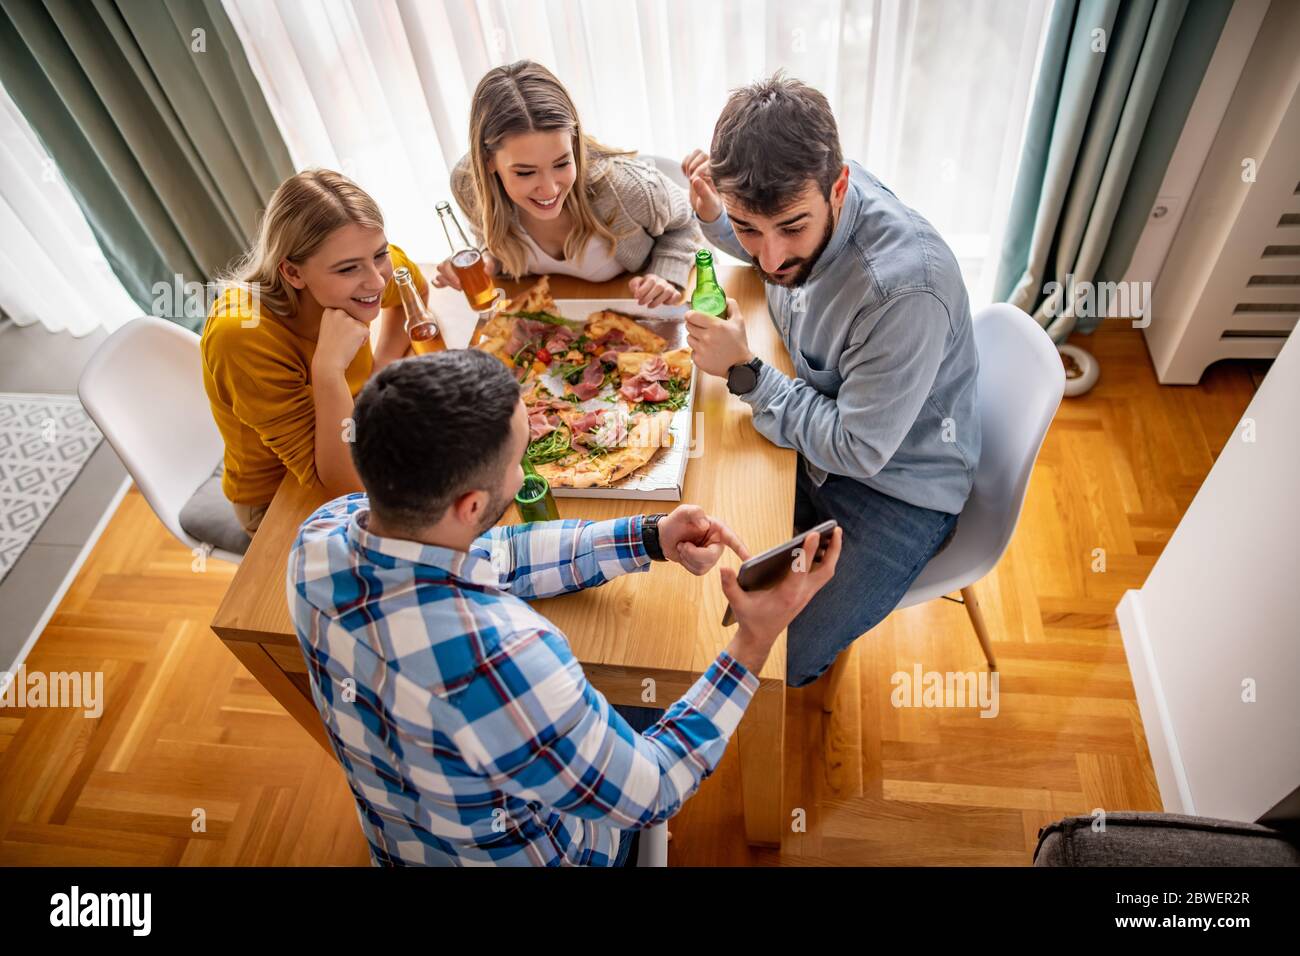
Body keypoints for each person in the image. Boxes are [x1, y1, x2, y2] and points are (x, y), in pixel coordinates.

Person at [287, 349, 840, 866]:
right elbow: (655, 790)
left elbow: (490, 552)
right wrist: (753, 640)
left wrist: (648, 536)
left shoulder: (321, 535)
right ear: (473, 503)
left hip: (403, 843)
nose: (526, 469)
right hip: (560, 854)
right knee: (657, 674)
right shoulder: (511, 658)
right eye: (520, 458)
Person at [680, 73, 981, 688]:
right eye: (747, 228)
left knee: (773, 660)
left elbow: (858, 449)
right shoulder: (794, 206)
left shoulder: (905, 290)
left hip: (894, 492)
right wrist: (717, 222)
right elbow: (770, 242)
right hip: (816, 436)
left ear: (839, 187)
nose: (768, 259)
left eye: (791, 228)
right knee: (677, 595)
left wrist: (747, 373)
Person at [201, 170, 429, 536]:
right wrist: (328, 370)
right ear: (292, 272)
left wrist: (381, 364)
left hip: (357, 425)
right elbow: (344, 484)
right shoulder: (241, 336)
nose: (375, 280)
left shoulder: (370, 268)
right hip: (280, 494)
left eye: (379, 255)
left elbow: (409, 290)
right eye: (348, 268)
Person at [440, 59, 702, 308]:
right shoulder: (468, 185)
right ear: (488, 162)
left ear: (574, 143)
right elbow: (493, 242)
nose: (550, 190)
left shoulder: (626, 189)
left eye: (561, 163)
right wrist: (488, 261)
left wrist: (665, 275)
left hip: (631, 314)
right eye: (525, 173)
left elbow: (690, 218)